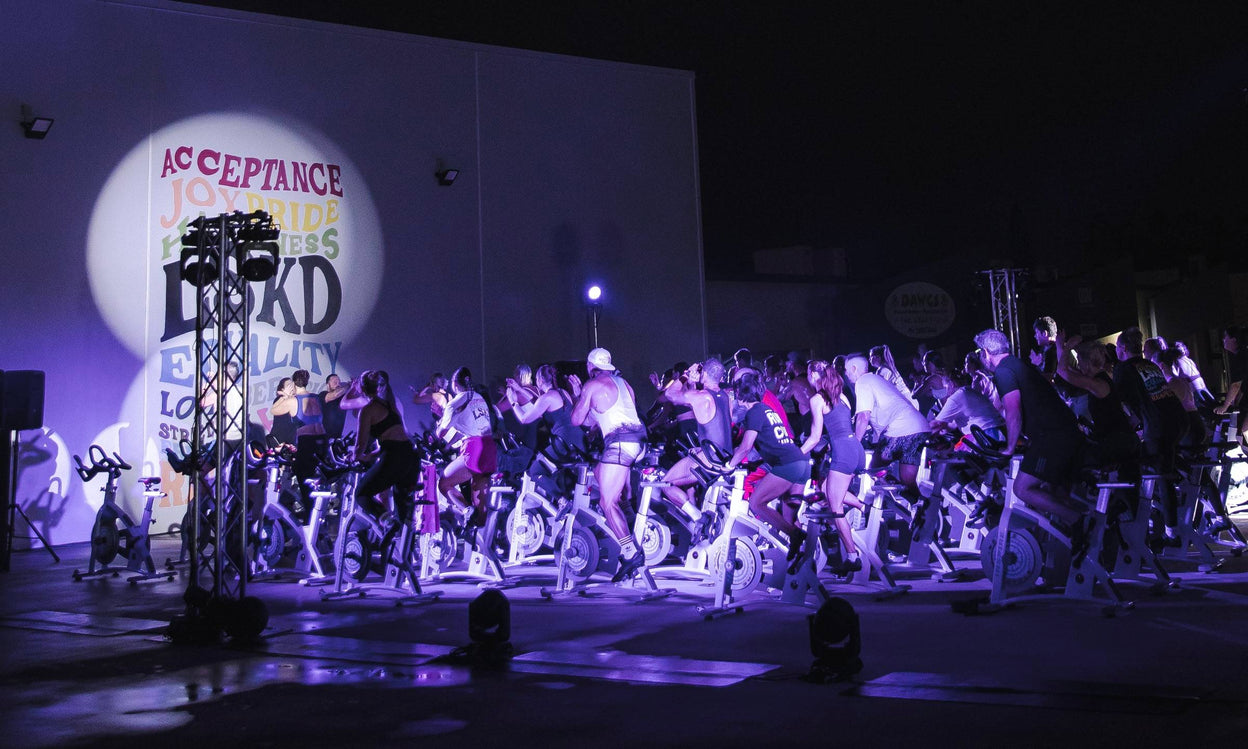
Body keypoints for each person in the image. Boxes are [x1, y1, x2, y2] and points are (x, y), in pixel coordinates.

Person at [975, 328, 1085, 528]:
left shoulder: (1003, 371)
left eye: (979, 353)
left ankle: (1081, 521)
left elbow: (1013, 410)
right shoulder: (1018, 364)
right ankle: (1076, 537)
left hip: (1052, 437)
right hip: (1065, 431)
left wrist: (1009, 448)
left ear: (986, 352)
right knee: (1053, 491)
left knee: (1022, 488)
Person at [570, 347, 649, 582]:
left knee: (607, 501)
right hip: (638, 442)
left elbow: (576, 420)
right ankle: (624, 519)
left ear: (590, 367)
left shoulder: (591, 386)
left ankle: (630, 551)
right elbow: (601, 417)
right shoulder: (624, 384)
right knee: (599, 473)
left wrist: (578, 394)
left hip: (620, 444)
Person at [725, 371, 810, 564]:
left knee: (756, 503)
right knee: (787, 517)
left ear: (740, 395)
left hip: (788, 465)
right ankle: (798, 562)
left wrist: (728, 466)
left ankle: (796, 535)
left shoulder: (753, 412)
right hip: (801, 463)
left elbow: (745, 447)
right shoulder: (765, 409)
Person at [1115, 327, 1189, 538]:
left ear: (1123, 348)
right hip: (1178, 419)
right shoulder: (1149, 364)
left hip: (1159, 425)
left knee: (1158, 472)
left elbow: (1117, 399)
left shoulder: (1123, 368)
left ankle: (1170, 531)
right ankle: (1173, 513)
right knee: (1166, 464)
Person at [656, 359, 733, 537]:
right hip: (724, 456)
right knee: (688, 479)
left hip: (710, 460)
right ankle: (697, 525)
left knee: (666, 483)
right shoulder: (725, 397)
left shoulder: (702, 396)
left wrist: (684, 376)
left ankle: (699, 518)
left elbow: (670, 395)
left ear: (704, 374)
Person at [801, 360, 865, 572]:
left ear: (813, 376)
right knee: (825, 489)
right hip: (855, 448)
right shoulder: (843, 396)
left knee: (836, 509)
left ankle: (853, 557)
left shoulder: (817, 399)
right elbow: (842, 425)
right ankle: (864, 507)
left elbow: (814, 437)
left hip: (844, 453)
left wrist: (794, 454)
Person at [843, 354, 930, 491]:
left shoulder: (863, 381)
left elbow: (863, 417)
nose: (846, 375)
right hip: (919, 428)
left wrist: (855, 444)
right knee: (908, 481)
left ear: (854, 368)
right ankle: (920, 506)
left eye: (846, 370)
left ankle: (892, 497)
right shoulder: (876, 379)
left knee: (874, 469)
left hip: (900, 429)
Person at [350, 370, 419, 520]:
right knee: (403, 508)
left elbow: (360, 444)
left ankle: (387, 522)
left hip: (395, 456)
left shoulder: (368, 410)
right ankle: (402, 538)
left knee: (361, 494)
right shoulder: (391, 404)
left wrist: (356, 456)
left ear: (362, 389)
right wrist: (370, 456)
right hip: (409, 454)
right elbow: (394, 439)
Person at [436, 367, 497, 527]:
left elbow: (441, 433)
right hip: (489, 447)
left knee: (444, 483)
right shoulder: (480, 398)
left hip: (474, 450)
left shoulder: (454, 402)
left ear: (454, 384)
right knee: (480, 504)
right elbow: (467, 426)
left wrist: (441, 419)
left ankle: (465, 510)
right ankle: (481, 540)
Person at [506, 363, 586, 458]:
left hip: (566, 442)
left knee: (533, 471)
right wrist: (518, 388)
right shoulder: (562, 392)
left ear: (541, 380)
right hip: (580, 440)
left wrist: (513, 402)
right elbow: (537, 402)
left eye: (536, 379)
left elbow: (524, 419)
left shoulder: (547, 397)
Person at [289, 369, 325, 437]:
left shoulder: (293, 400)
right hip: (322, 439)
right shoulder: (317, 397)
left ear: (293, 383)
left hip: (304, 440)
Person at [267, 377, 298, 447]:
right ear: (282, 389)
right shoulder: (279, 399)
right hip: (279, 441)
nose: (291, 387)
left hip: (292, 442)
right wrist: (285, 396)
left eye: (292, 385)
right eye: (288, 385)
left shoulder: (296, 400)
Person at [319, 373, 347, 439]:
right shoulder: (323, 394)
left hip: (337, 437)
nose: (338, 384)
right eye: (335, 382)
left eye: (339, 382)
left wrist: (354, 387)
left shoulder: (342, 397)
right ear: (328, 384)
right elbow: (335, 395)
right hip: (324, 436)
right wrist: (348, 385)